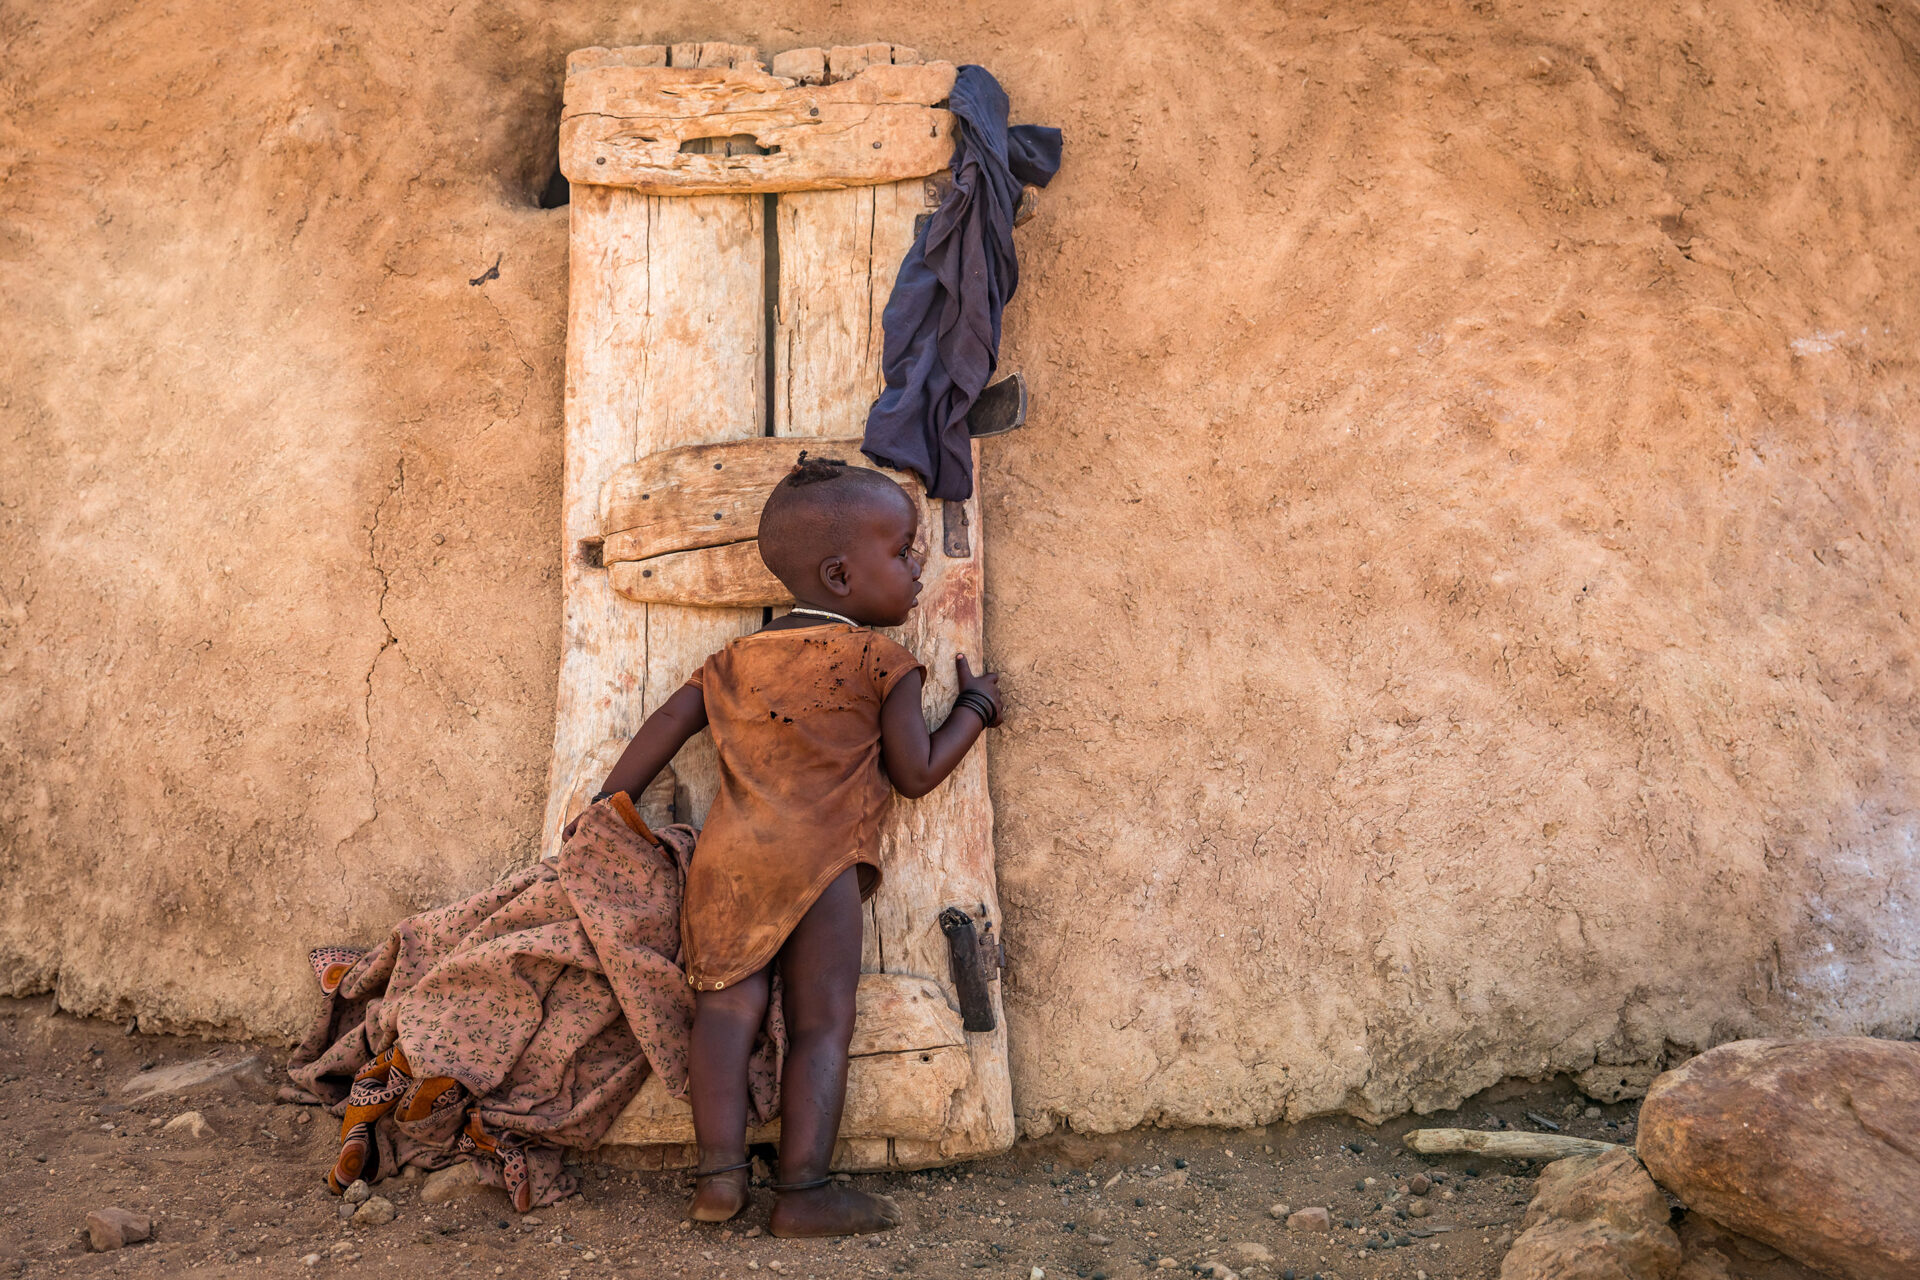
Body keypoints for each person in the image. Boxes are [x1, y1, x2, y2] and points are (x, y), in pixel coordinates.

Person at [570, 453, 1003, 1238]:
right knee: (821, 1024)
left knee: (724, 1016)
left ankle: (718, 1181)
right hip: (822, 866)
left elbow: (668, 725)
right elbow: (916, 772)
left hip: (727, 866)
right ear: (840, 577)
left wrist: (608, 806)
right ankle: (802, 1194)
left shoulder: (736, 660)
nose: (916, 569)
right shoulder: (882, 662)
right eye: (903, 552)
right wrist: (975, 706)